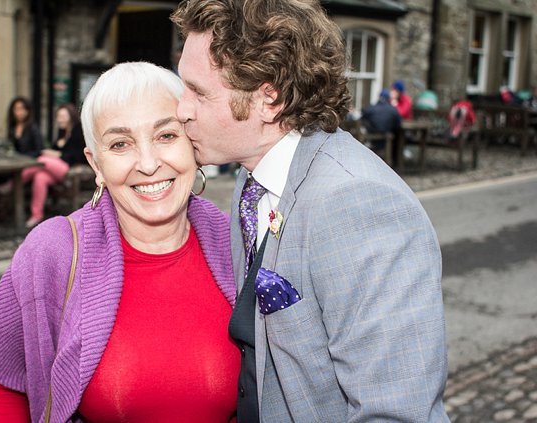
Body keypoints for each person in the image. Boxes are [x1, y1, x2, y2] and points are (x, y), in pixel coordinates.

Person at [172, 0, 448, 420]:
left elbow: (396, 410)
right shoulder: (253, 175)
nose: (181, 109)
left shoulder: (358, 204)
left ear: (270, 99)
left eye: (199, 92)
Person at [0, 62, 239, 422]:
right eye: (120, 144)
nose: (148, 164)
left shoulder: (238, 244)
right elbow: (8, 380)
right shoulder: (51, 252)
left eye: (166, 135)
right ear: (95, 164)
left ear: (194, 142)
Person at [20, 103, 87, 227]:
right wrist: (54, 152)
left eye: (62, 116)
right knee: (40, 177)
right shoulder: (63, 131)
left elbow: (79, 155)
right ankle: (36, 215)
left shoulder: (78, 131)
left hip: (69, 168)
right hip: (57, 168)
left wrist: (58, 155)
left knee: (41, 161)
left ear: (71, 116)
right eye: (58, 116)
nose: (59, 119)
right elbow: (56, 148)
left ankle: (16, 182)